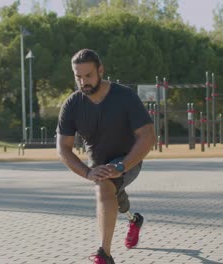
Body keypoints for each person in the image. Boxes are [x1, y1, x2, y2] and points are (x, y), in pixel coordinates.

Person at [56, 49, 156, 264]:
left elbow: (147, 136)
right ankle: (134, 219)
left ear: (101, 70)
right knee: (115, 197)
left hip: (129, 160)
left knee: (104, 187)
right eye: (78, 77)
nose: (83, 82)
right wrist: (88, 172)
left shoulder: (125, 96)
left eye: (89, 75)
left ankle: (104, 254)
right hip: (98, 167)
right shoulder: (72, 105)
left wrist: (121, 165)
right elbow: (63, 148)